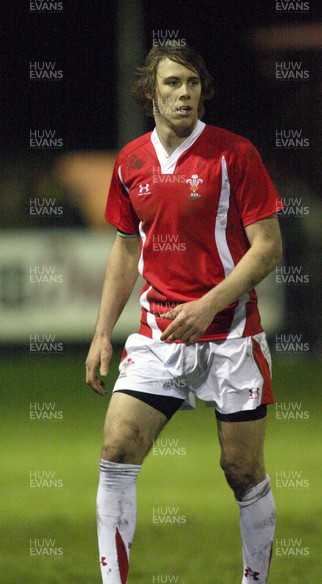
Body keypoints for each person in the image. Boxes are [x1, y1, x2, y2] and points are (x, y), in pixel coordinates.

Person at [85, 45, 283, 584]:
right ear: (150, 93)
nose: (184, 93)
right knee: (116, 448)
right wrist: (103, 333)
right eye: (173, 83)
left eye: (193, 83)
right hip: (158, 336)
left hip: (231, 334)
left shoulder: (234, 154)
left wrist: (210, 303)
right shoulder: (130, 162)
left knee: (240, 471)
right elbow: (127, 250)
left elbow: (267, 248)